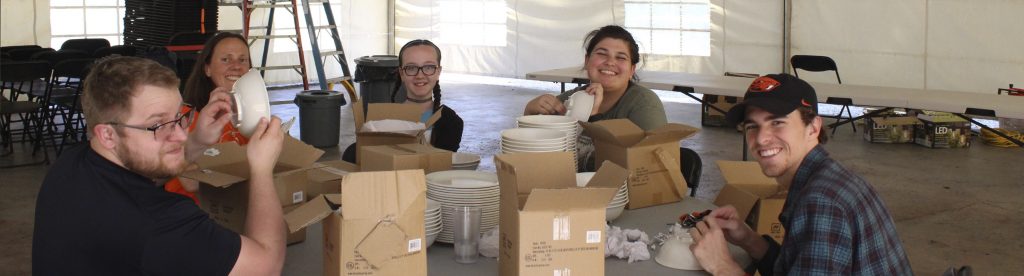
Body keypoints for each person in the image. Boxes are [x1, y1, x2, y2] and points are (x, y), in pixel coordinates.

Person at [32, 56, 287, 275]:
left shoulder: (71, 164)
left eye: (179, 116)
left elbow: (142, 177)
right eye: (157, 125)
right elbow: (267, 266)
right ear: (107, 135)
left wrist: (198, 141)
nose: (180, 134)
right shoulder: (159, 222)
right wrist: (261, 169)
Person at [687, 74, 913, 275]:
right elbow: (799, 265)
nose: (761, 138)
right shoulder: (828, 178)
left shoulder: (821, 202)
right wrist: (748, 238)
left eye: (777, 122)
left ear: (813, 128)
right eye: (752, 126)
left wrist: (722, 266)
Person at [523, 25, 669, 172]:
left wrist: (593, 117)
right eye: (602, 54)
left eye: (620, 57)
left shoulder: (645, 104)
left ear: (632, 70)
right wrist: (530, 113)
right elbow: (534, 154)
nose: (610, 62)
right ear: (587, 61)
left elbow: (646, 168)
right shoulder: (574, 98)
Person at [342, 39, 463, 162]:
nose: (420, 75)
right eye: (411, 68)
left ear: (438, 72)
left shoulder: (449, 121)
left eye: (428, 67)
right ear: (401, 73)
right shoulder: (381, 121)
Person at [166, 32, 253, 202]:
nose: (236, 66)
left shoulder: (251, 115)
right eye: (226, 59)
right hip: (192, 211)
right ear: (207, 68)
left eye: (243, 60)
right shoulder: (184, 117)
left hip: (236, 206)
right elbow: (191, 183)